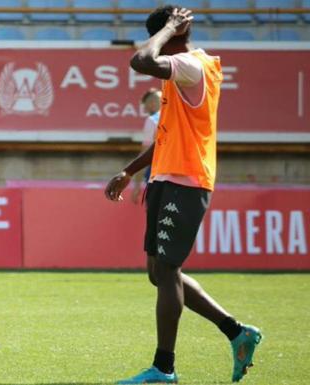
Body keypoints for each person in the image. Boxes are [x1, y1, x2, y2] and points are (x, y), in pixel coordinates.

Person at [104, 6, 261, 384]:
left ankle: (164, 368)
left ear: (171, 33)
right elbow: (165, 137)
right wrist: (130, 171)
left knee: (169, 269)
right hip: (165, 179)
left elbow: (140, 60)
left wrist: (168, 31)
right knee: (159, 274)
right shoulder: (177, 76)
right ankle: (236, 332)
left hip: (186, 181)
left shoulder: (191, 66)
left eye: (159, 34)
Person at [130, 88, 161, 204]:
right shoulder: (177, 118)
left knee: (155, 215)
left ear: (151, 104)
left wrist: (137, 185)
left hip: (157, 175)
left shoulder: (152, 121)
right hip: (180, 174)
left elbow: (144, 155)